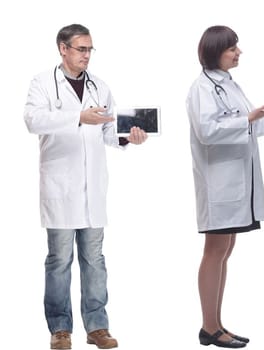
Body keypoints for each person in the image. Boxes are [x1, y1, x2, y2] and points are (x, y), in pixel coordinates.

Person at [186, 25, 264, 348]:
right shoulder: (201, 88)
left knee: (225, 250)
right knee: (215, 251)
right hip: (218, 183)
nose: (238, 52)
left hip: (236, 182)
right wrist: (246, 119)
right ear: (216, 51)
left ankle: (215, 325)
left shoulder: (228, 85)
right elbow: (207, 131)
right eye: (232, 48)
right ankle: (209, 327)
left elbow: (252, 125)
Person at [24, 24, 148, 350]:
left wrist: (127, 137)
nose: (86, 55)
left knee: (95, 260)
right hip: (60, 187)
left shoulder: (100, 87)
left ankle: (97, 327)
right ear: (62, 48)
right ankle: (60, 329)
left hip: (93, 189)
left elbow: (108, 133)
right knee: (59, 260)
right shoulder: (41, 83)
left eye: (90, 49)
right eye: (81, 49)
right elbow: (33, 121)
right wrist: (78, 117)